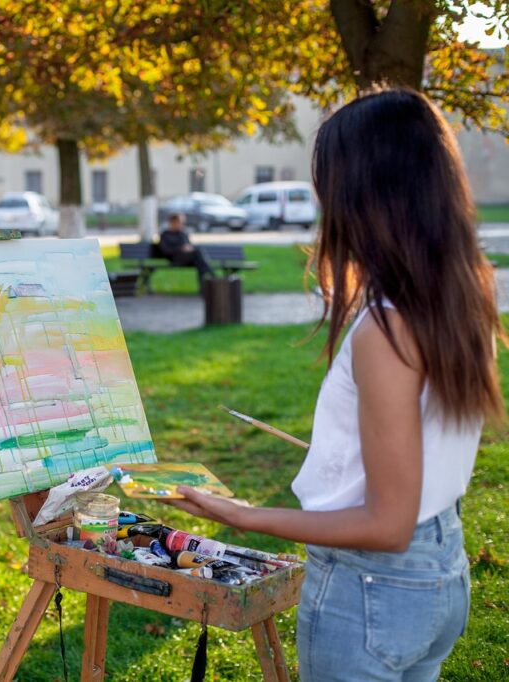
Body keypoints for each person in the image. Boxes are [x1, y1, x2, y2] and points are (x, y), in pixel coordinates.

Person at [168, 89, 504, 681]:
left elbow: (386, 525)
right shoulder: (461, 293)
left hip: (372, 589)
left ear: (364, 194)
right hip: (437, 572)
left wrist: (242, 516)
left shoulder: (387, 326)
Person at [156, 213, 215, 281]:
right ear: (172, 222)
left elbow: (189, 246)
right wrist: (180, 248)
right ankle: (213, 277)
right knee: (198, 255)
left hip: (188, 260)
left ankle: (205, 285)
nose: (182, 224)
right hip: (174, 260)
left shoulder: (182, 234)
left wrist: (188, 249)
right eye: (180, 222)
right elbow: (165, 250)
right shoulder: (165, 235)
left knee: (200, 262)